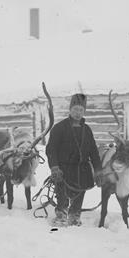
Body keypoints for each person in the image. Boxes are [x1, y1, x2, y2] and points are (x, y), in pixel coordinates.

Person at [45, 93, 102, 227]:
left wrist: (98, 171)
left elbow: (93, 152)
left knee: (79, 193)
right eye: (75, 109)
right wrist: (54, 167)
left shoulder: (87, 130)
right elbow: (51, 149)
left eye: (81, 110)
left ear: (84, 112)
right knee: (62, 193)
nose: (78, 113)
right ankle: (61, 214)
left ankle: (75, 215)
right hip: (63, 169)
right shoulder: (59, 128)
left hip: (82, 169)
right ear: (70, 110)